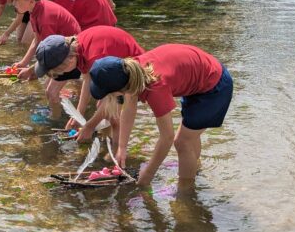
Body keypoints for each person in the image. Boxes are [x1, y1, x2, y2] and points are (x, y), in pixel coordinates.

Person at [88, 44, 233, 188]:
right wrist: (122, 147)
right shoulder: (132, 71)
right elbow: (129, 109)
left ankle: (186, 192)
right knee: (190, 135)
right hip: (198, 77)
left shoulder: (155, 87)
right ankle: (193, 168)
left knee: (182, 142)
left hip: (214, 86)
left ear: (119, 89)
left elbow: (167, 137)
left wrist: (148, 173)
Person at [22, 25, 146, 136]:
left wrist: (88, 126)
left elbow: (110, 100)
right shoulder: (76, 47)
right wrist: (78, 114)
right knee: (102, 110)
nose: (63, 75)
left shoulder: (93, 58)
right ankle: (104, 138)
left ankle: (114, 148)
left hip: (132, 71)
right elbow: (87, 78)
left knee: (110, 112)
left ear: (69, 61)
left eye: (61, 72)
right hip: (112, 63)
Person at [3, 0, 81, 122]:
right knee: (50, 87)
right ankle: (73, 99)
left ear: (31, 1)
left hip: (71, 55)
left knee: (50, 91)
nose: (13, 3)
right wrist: (24, 62)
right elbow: (37, 39)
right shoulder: (34, 11)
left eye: (16, 0)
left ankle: (56, 119)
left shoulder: (46, 18)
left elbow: (50, 57)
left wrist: (31, 70)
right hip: (61, 52)